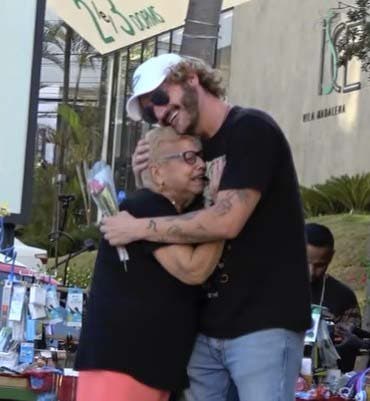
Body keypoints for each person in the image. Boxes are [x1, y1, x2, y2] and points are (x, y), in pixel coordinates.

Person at [100, 53, 312, 401]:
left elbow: (226, 220)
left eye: (158, 97)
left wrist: (139, 227)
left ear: (191, 78)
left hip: (263, 324)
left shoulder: (251, 130)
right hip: (204, 327)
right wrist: (153, 177)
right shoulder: (190, 151)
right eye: (149, 112)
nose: (158, 113)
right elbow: (178, 220)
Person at [75, 127, 224, 401]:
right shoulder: (147, 205)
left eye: (202, 157)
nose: (201, 165)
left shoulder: (165, 211)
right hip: (125, 366)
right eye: (189, 157)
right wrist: (222, 212)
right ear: (157, 173)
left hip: (141, 365)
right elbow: (193, 269)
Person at [305, 222, 361, 372]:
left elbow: (351, 342)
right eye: (306, 262)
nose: (311, 272)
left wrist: (342, 335)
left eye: (320, 265)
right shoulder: (273, 289)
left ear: (331, 256)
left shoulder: (344, 297)